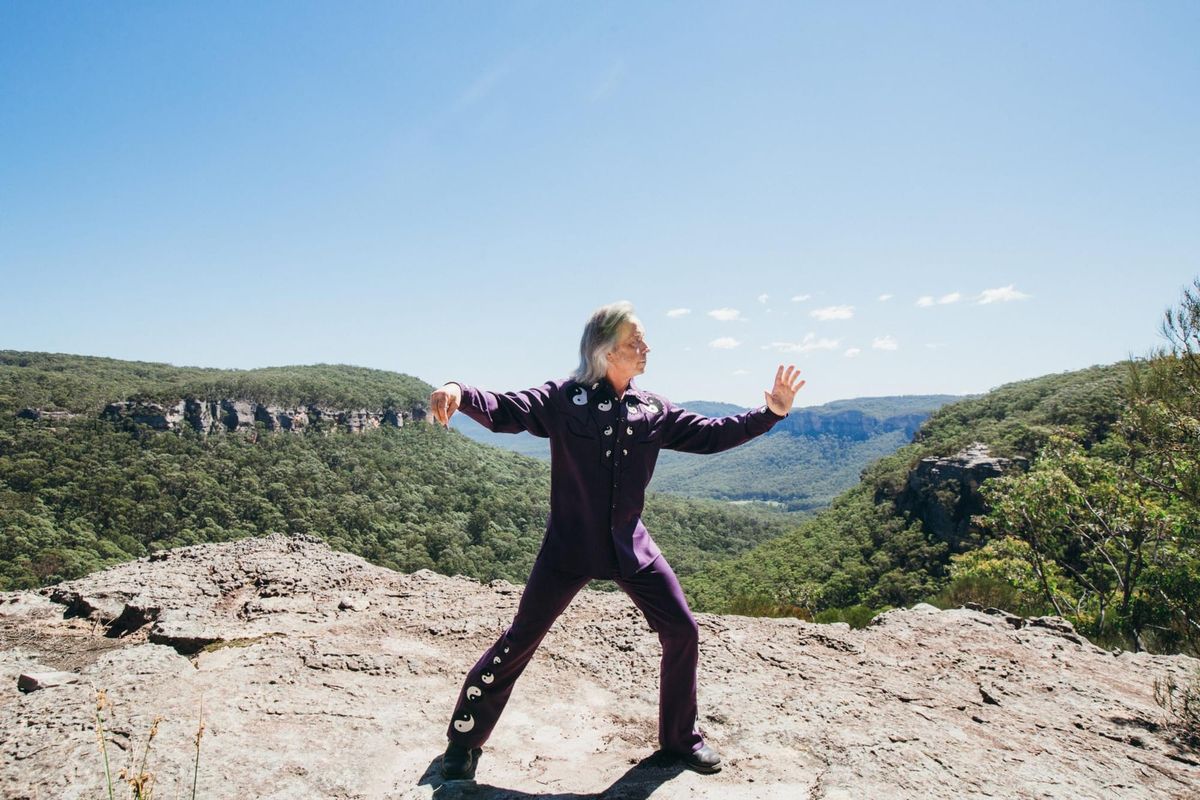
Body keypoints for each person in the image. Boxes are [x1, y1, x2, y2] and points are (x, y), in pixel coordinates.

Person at [428, 300, 805, 780]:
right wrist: (458, 389)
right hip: (569, 548)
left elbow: (711, 434)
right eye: (635, 342)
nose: (645, 348)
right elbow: (508, 408)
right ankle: (463, 742)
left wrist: (770, 412)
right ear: (606, 352)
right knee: (521, 638)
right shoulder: (564, 400)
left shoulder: (652, 409)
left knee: (682, 631)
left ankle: (680, 739)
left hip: (632, 548)